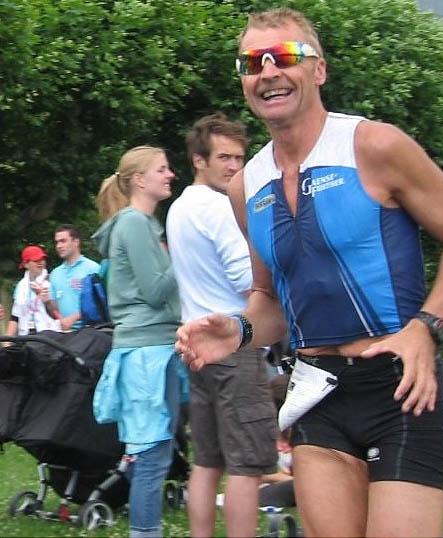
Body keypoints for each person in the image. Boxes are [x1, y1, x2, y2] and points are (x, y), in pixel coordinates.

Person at [176, 8, 443, 537]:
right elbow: (270, 299)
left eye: (285, 56)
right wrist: (240, 330)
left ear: (318, 69)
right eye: (253, 62)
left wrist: (427, 328)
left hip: (400, 386)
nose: (269, 71)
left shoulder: (374, 145)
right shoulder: (245, 186)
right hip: (317, 389)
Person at [166, 113, 278, 537]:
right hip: (233, 342)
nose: (234, 167)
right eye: (224, 158)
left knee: (207, 461)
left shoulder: (179, 207)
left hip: (196, 346)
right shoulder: (218, 207)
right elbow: (247, 278)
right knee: (247, 466)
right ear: (199, 159)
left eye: (239, 158)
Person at [92, 145, 186, 538]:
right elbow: (154, 290)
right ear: (139, 180)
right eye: (162, 169)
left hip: (154, 349)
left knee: (153, 453)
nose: (170, 174)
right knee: (152, 457)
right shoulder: (133, 223)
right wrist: (188, 253)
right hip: (147, 353)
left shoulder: (142, 224)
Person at [49, 224, 100, 331]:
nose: (58, 246)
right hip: (64, 333)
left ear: (76, 242)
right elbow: (54, 308)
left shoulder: (93, 268)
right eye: (57, 242)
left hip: (91, 331)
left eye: (63, 241)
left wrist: (75, 317)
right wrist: (46, 301)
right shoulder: (55, 273)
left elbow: (101, 303)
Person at [4, 245, 61, 338]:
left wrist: (47, 301)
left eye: (42, 259)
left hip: (49, 336)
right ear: (26, 264)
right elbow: (15, 317)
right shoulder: (20, 286)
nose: (40, 262)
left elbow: (60, 314)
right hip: (25, 337)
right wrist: (7, 339)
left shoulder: (51, 280)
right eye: (35, 260)